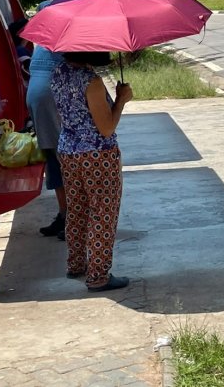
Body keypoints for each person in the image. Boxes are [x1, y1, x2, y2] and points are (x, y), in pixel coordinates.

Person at [50, 50, 133, 292]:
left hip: (68, 151)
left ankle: (76, 264)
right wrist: (120, 101)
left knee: (77, 209)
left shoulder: (58, 73)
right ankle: (98, 275)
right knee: (102, 213)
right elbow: (106, 128)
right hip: (97, 155)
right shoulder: (91, 82)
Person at [24, 6, 67, 239]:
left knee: (60, 162)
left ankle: (70, 217)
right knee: (59, 162)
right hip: (46, 111)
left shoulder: (57, 41)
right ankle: (67, 216)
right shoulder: (49, 42)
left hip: (50, 109)